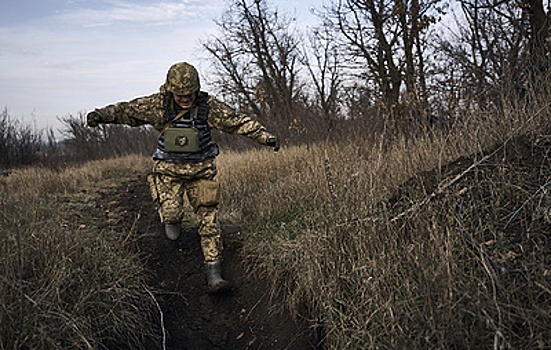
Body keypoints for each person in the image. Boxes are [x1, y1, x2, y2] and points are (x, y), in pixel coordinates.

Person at [86, 62, 280, 293]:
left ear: (196, 90)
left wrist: (265, 137)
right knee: (171, 216)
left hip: (202, 172)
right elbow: (127, 110)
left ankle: (214, 274)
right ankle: (171, 219)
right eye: (179, 95)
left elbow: (237, 122)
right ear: (170, 91)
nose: (185, 99)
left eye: (189, 94)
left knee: (209, 222)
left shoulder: (209, 107)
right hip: (168, 171)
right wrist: (100, 115)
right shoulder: (158, 106)